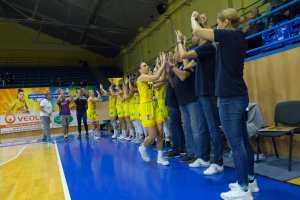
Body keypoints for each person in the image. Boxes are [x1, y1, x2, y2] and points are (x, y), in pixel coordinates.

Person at [191, 9, 259, 199]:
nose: (217, 27)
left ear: (226, 23)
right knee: (244, 142)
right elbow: (207, 36)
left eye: (218, 23)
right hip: (238, 95)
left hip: (231, 99)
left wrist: (193, 19)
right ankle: (250, 182)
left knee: (236, 145)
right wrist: (204, 25)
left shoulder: (229, 36)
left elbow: (197, 33)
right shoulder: (236, 37)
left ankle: (243, 190)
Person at [176, 15, 224, 175]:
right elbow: (186, 64)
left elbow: (183, 56)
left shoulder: (208, 47)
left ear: (202, 34)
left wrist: (179, 42)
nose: (193, 36)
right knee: (205, 128)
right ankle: (204, 158)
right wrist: (183, 44)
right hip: (202, 94)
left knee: (213, 129)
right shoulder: (202, 51)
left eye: (195, 34)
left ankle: (218, 162)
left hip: (209, 93)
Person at [137, 52, 169, 166]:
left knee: (161, 133)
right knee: (153, 134)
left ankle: (160, 157)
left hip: (154, 105)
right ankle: (143, 147)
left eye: (147, 65)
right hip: (146, 107)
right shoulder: (141, 78)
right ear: (140, 70)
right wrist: (163, 63)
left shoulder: (148, 80)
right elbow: (156, 77)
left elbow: (161, 78)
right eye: (144, 66)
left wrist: (161, 65)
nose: (147, 66)